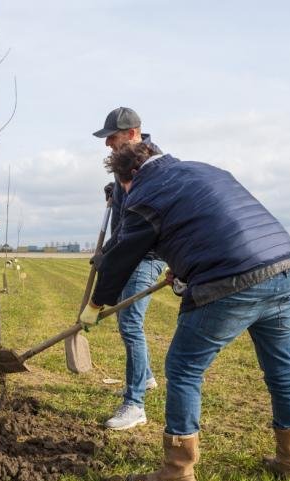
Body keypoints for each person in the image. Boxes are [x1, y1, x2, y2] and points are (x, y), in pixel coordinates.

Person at [81, 142, 290, 481]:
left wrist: (96, 305)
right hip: (284, 267)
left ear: (131, 176)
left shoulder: (145, 191)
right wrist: (183, 269)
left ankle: (176, 473)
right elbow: (210, 225)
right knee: (281, 368)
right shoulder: (205, 169)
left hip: (232, 279)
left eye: (123, 186)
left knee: (184, 368)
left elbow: (123, 255)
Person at [93, 107, 166, 430]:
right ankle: (146, 376)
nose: (108, 143)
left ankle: (135, 404)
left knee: (131, 324)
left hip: (146, 255)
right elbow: (124, 216)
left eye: (113, 136)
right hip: (128, 250)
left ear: (133, 132)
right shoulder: (125, 163)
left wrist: (111, 256)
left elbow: (141, 225)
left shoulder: (152, 164)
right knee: (127, 321)